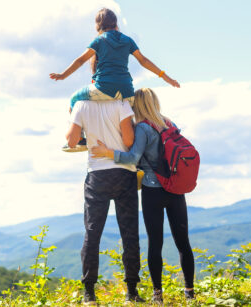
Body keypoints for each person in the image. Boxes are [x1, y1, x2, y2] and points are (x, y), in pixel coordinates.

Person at [91, 88, 195, 303]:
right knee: (183, 242)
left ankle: (158, 295)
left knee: (155, 243)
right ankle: (189, 292)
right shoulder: (169, 123)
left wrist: (107, 153)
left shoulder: (142, 128)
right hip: (175, 189)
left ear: (136, 105)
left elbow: (132, 157)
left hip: (152, 190)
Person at [50, 8, 180, 152]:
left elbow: (81, 61)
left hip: (103, 88)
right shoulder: (127, 40)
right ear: (115, 23)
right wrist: (166, 77)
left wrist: (63, 75)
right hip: (127, 92)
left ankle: (80, 139)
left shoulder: (100, 40)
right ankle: (137, 153)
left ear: (98, 24)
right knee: (129, 130)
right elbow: (143, 60)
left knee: (74, 100)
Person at [66, 97, 144, 304]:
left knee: (92, 232)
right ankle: (131, 292)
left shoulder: (81, 104)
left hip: (97, 175)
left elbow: (71, 141)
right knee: (129, 233)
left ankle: (89, 293)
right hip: (123, 174)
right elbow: (128, 142)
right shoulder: (122, 104)